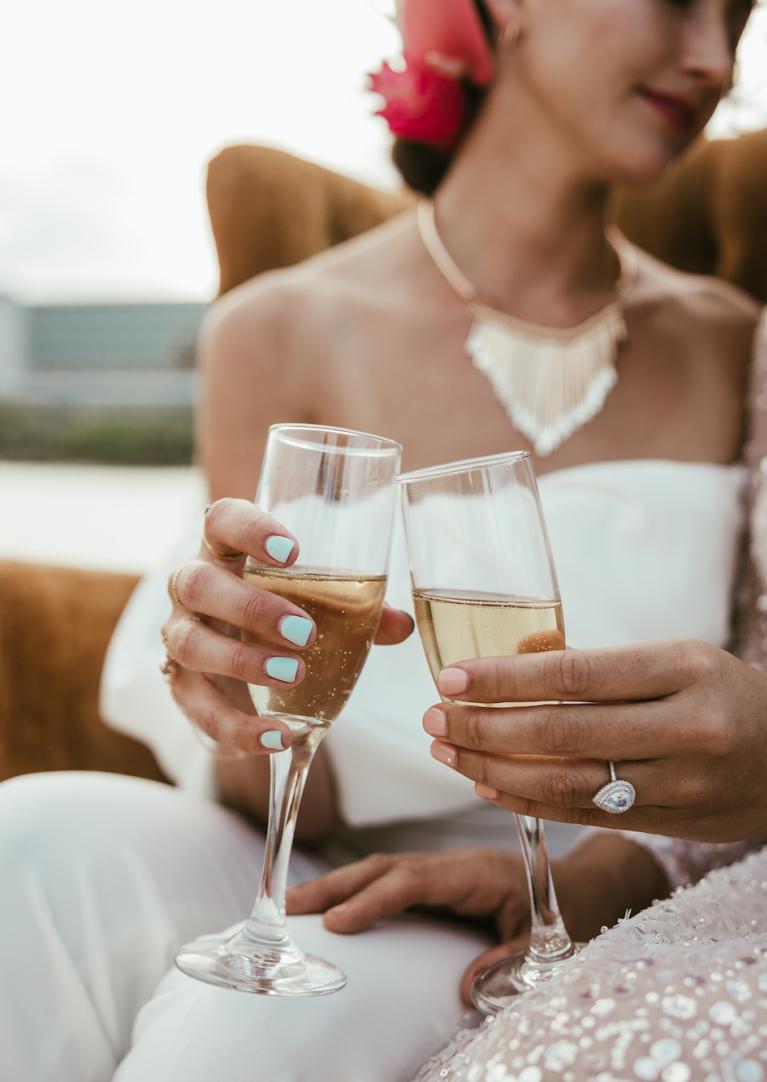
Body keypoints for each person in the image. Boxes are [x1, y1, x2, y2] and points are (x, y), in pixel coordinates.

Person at [1, 0, 765, 1079]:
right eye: (679, 0)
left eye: (739, 18)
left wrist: (608, 870)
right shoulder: (277, 327)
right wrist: (230, 693)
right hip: (302, 846)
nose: (713, 60)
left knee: (263, 1026)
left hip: (557, 885)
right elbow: (284, 742)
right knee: (27, 841)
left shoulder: (734, 342)